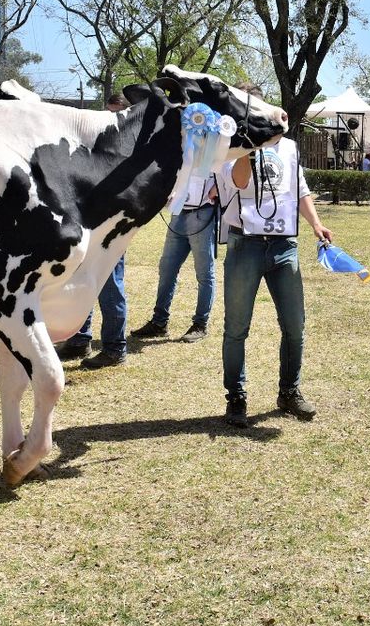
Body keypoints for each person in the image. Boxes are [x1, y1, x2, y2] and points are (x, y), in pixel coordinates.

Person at [217, 131, 332, 427]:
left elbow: (300, 190)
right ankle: (236, 397)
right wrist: (248, 147)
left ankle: (289, 392)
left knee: (295, 326)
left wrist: (316, 225)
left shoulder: (290, 148)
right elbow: (240, 182)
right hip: (245, 244)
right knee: (236, 327)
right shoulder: (235, 149)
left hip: (284, 246)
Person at [59, 92, 131, 368]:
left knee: (110, 287)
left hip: (111, 232)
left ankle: (115, 347)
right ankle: (80, 339)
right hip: (86, 228)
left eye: (115, 114)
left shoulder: (127, 152)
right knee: (81, 284)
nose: (109, 120)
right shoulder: (93, 146)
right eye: (106, 113)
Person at [130, 176, 218, 344]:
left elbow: (229, 168)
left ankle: (200, 324)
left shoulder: (216, 149)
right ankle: (159, 322)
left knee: (204, 273)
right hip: (179, 212)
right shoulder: (186, 149)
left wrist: (220, 187)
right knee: (167, 269)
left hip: (203, 212)